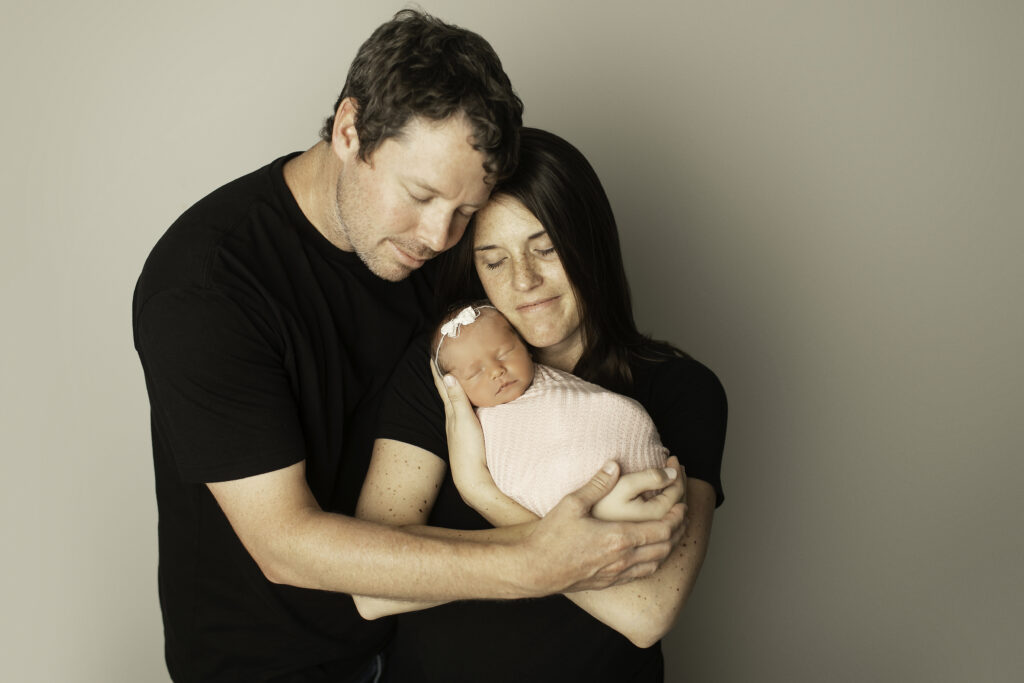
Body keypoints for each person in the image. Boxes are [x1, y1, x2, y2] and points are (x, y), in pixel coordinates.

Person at [132, 10, 685, 682]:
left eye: (461, 212)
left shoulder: (440, 260)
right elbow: (286, 542)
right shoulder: (206, 285)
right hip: (269, 664)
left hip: (412, 647)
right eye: (420, 195)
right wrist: (542, 557)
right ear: (348, 130)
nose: (436, 236)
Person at [356, 127, 728, 682]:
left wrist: (484, 493)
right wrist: (573, 549)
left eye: (545, 248)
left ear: (590, 242)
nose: (525, 281)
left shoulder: (682, 390)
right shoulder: (450, 364)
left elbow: (646, 611)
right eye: (494, 260)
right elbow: (371, 588)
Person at [431, 301, 669, 517]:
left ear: (526, 347)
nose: (496, 371)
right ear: (456, 388)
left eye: (505, 353)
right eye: (475, 372)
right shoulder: (474, 428)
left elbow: (609, 410)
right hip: (574, 515)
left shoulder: (554, 384)